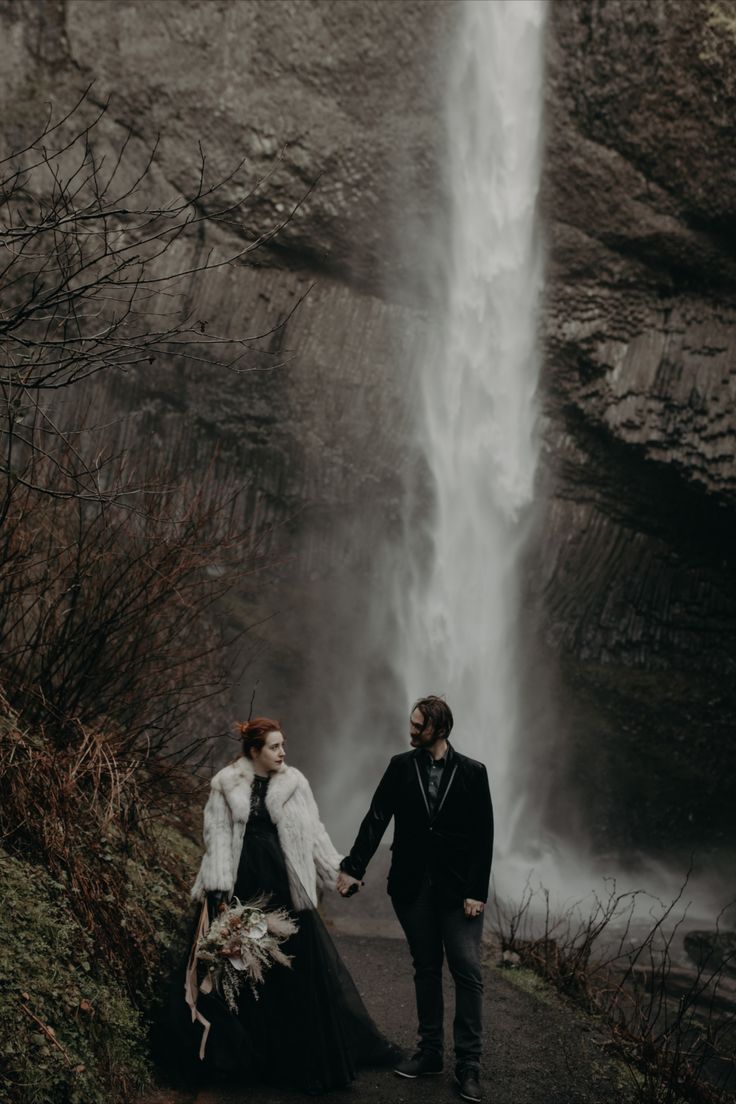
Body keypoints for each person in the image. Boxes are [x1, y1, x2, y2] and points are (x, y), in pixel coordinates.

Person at [187, 716, 396, 1093]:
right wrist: (218, 891)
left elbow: (313, 833)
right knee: (244, 974)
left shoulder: (295, 784)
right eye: (274, 746)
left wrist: (338, 873)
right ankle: (250, 1060)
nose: (283, 752)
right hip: (242, 890)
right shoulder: (226, 783)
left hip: (284, 890)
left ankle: (296, 1062)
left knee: (293, 974)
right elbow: (215, 835)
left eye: (283, 745)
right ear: (254, 751)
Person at [336, 695, 493, 1104]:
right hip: (411, 888)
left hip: (458, 892)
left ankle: (469, 1064)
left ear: (438, 730)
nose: (410, 731)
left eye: (417, 726)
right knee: (425, 966)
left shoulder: (474, 773)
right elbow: (377, 817)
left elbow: (483, 837)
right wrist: (353, 867)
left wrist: (477, 891)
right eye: (411, 723)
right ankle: (429, 1052)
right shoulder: (400, 767)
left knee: (467, 970)